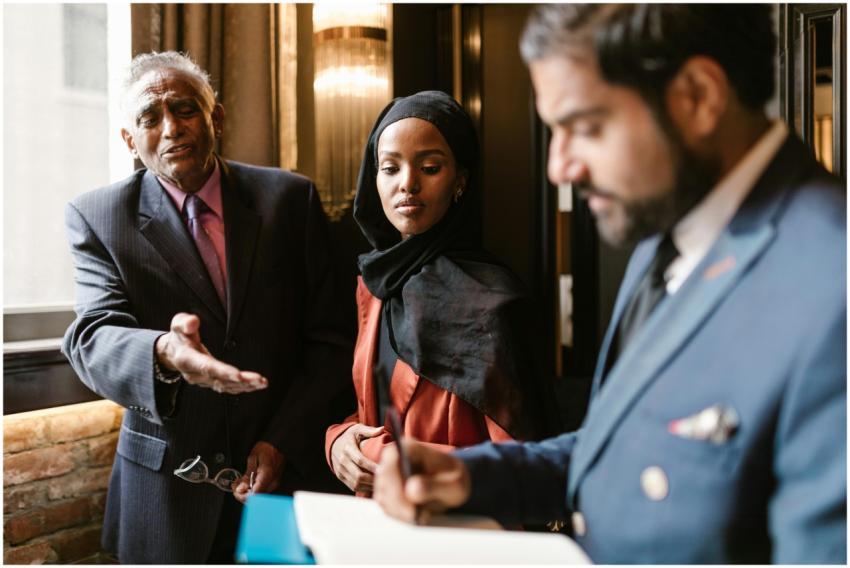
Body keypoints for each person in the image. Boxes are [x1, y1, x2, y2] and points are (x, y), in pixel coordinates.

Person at [373, 5, 846, 564]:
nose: (559, 167)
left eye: (584, 127)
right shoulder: (664, 235)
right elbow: (622, 449)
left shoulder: (832, 293)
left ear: (697, 95)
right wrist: (472, 475)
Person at [61, 51, 355, 563]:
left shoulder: (290, 199)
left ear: (215, 116)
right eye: (150, 118)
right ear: (129, 140)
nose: (172, 127)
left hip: (286, 479)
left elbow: (330, 339)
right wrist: (164, 352)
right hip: (166, 495)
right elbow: (92, 335)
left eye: (185, 109)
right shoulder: (98, 216)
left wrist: (281, 441)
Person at [325, 91, 558, 494]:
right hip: (376, 529)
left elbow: (529, 462)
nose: (407, 184)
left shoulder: (495, 301)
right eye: (389, 168)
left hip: (459, 535)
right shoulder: (375, 285)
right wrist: (339, 441)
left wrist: (384, 457)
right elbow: (376, 413)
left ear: (460, 180)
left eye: (430, 167)